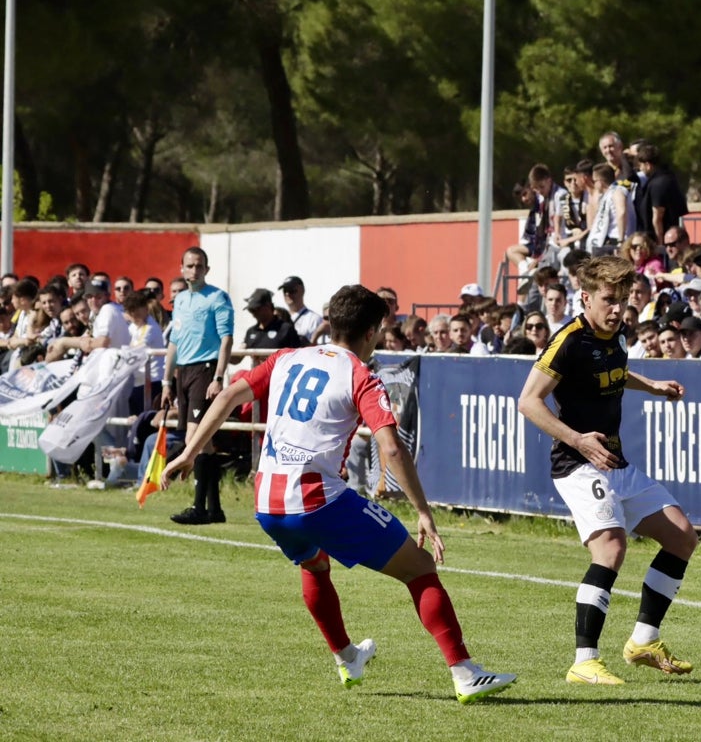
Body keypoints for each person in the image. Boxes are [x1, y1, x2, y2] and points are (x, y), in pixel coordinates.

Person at [159, 285, 515, 702]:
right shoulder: (360, 374)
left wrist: (188, 452)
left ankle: (347, 656)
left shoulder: (287, 357)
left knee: (313, 565)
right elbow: (391, 447)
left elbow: (229, 394)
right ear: (370, 332)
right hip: (314, 497)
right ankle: (464, 671)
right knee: (418, 569)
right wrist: (423, 511)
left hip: (267, 500)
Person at [517, 255, 698, 685]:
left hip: (614, 461)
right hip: (578, 464)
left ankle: (643, 641)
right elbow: (528, 401)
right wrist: (577, 439)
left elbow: (612, 369)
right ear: (585, 298)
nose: (618, 309)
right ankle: (584, 661)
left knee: (681, 537)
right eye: (609, 300)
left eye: (623, 300)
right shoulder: (569, 340)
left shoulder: (614, 334)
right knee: (611, 549)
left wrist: (650, 385)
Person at [161, 247, 235, 525]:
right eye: (190, 266)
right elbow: (174, 343)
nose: (194, 271)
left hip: (205, 369)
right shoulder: (180, 301)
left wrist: (218, 377)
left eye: (199, 266)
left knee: (195, 438)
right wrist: (167, 381)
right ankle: (214, 509)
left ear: (207, 269)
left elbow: (226, 339)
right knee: (203, 443)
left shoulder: (217, 298)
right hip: (184, 372)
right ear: (181, 268)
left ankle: (199, 507)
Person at [279, 276, 321, 344]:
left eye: (291, 290)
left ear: (302, 290)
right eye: (285, 291)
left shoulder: (314, 319)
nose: (287, 294)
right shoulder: (279, 318)